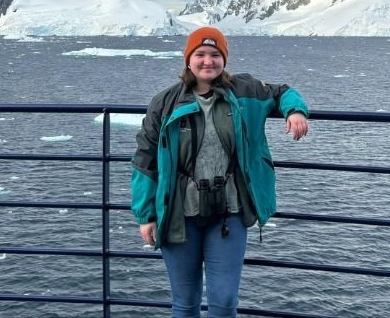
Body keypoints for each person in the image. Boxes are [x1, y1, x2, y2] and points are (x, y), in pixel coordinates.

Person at [131, 26, 309, 318]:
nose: (207, 61)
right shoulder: (165, 103)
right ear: (188, 59)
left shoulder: (246, 91)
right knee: (185, 301)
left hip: (230, 212)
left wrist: (295, 111)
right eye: (199, 54)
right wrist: (145, 216)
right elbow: (144, 160)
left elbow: (282, 93)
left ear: (224, 59)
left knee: (225, 301)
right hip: (179, 213)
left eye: (215, 54)